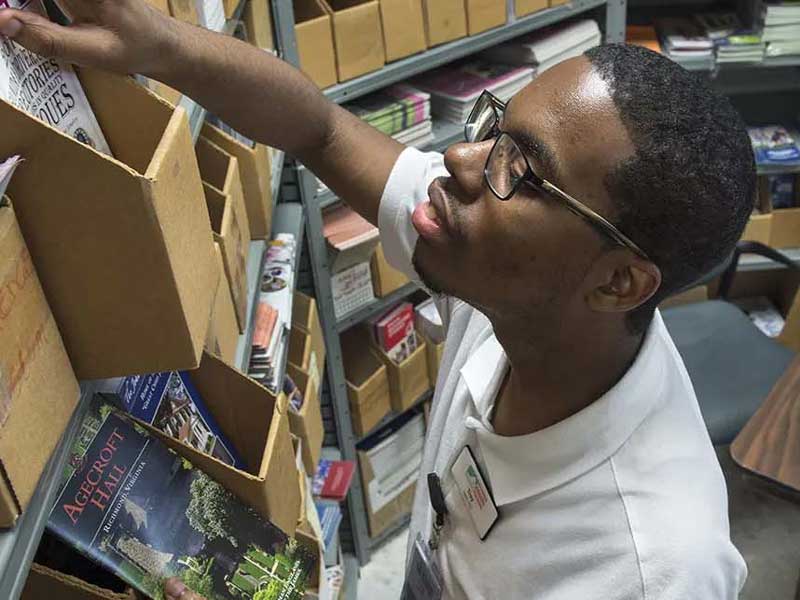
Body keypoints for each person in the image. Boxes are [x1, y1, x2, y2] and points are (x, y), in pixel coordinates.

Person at [0, 1, 756, 597]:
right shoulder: (522, 302)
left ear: (618, 281)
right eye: (496, 130)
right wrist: (160, 44)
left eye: (520, 172)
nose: (459, 159)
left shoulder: (648, 569)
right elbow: (322, 131)